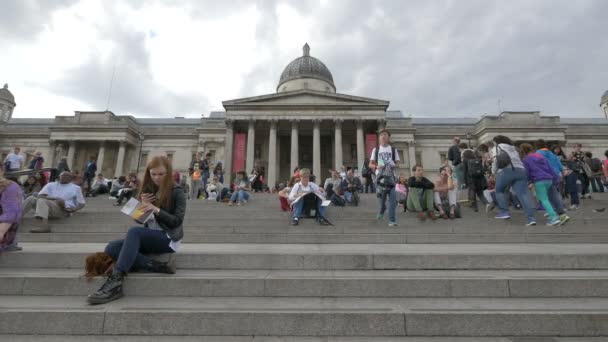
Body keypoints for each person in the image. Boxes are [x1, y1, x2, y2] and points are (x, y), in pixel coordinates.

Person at [87, 156, 186, 305]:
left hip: (169, 238)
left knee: (134, 232)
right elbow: (139, 220)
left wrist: (156, 209)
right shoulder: (149, 189)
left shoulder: (177, 191)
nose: (157, 178)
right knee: (111, 247)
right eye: (153, 174)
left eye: (161, 174)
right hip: (150, 236)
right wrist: (143, 206)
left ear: (169, 173)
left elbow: (176, 221)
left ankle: (115, 282)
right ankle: (157, 266)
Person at [491, 135, 536, 226]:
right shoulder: (515, 148)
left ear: (497, 141)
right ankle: (531, 219)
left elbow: (496, 160)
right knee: (523, 194)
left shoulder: (497, 147)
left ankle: (504, 212)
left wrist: (493, 171)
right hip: (521, 170)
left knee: (499, 191)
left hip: (506, 170)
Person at [520, 143, 562, 226]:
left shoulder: (526, 159)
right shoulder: (540, 156)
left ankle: (554, 217)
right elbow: (550, 167)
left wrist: (529, 181)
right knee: (549, 198)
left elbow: (527, 172)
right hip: (549, 179)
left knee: (544, 200)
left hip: (539, 180)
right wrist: (556, 178)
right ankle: (554, 214)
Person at [369, 129, 400, 227]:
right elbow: (370, 164)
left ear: (388, 138)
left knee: (393, 201)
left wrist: (392, 164)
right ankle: (382, 210)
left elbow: (398, 164)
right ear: (379, 138)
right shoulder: (376, 150)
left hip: (391, 178)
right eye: (381, 135)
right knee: (382, 202)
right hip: (380, 178)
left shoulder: (393, 150)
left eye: (385, 135)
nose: (383, 137)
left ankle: (392, 220)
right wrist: (377, 166)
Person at [535, 140, 570, 224]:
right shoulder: (551, 153)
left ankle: (553, 215)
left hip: (545, 175)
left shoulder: (538, 153)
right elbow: (559, 164)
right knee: (555, 194)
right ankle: (562, 214)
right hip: (556, 174)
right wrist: (562, 171)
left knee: (544, 197)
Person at [0, 163, 24, 252]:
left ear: (2, 171)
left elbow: (11, 213)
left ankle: (11, 243)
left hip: (6, 224)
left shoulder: (10, 186)